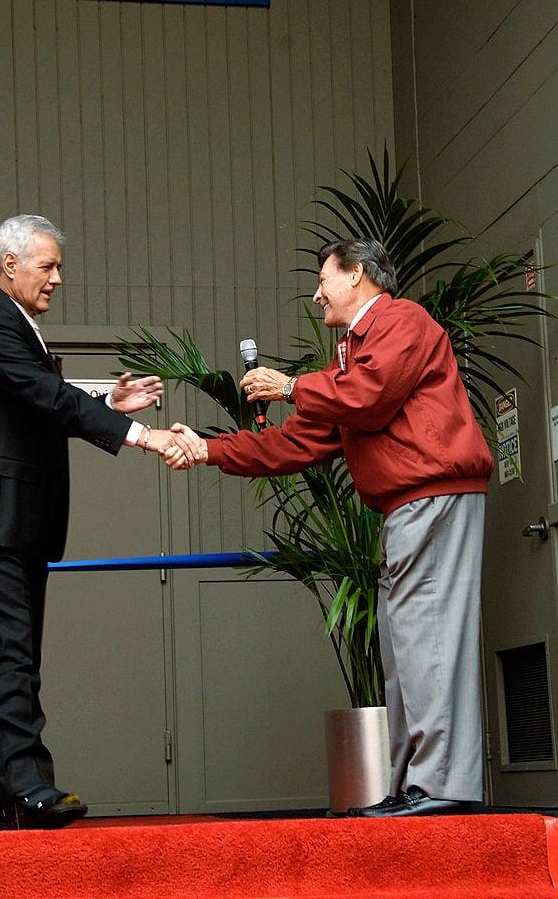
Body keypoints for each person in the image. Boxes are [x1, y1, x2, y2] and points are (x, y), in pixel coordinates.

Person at [164, 238, 494, 817]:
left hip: (432, 496)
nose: (316, 294)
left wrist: (289, 386)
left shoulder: (401, 320)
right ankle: (417, 785)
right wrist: (209, 449)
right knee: (405, 647)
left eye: (323, 280)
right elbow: (301, 440)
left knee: (428, 641)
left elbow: (367, 397)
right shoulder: (350, 352)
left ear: (357, 275)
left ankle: (440, 788)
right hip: (404, 507)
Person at [0, 214, 198, 832]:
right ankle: (28, 787)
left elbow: (35, 400)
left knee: (9, 655)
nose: (59, 277)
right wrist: (141, 434)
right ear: (10, 266)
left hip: (15, 522)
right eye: (48, 266)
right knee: (11, 657)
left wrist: (107, 402)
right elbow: (45, 396)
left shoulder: (16, 328)